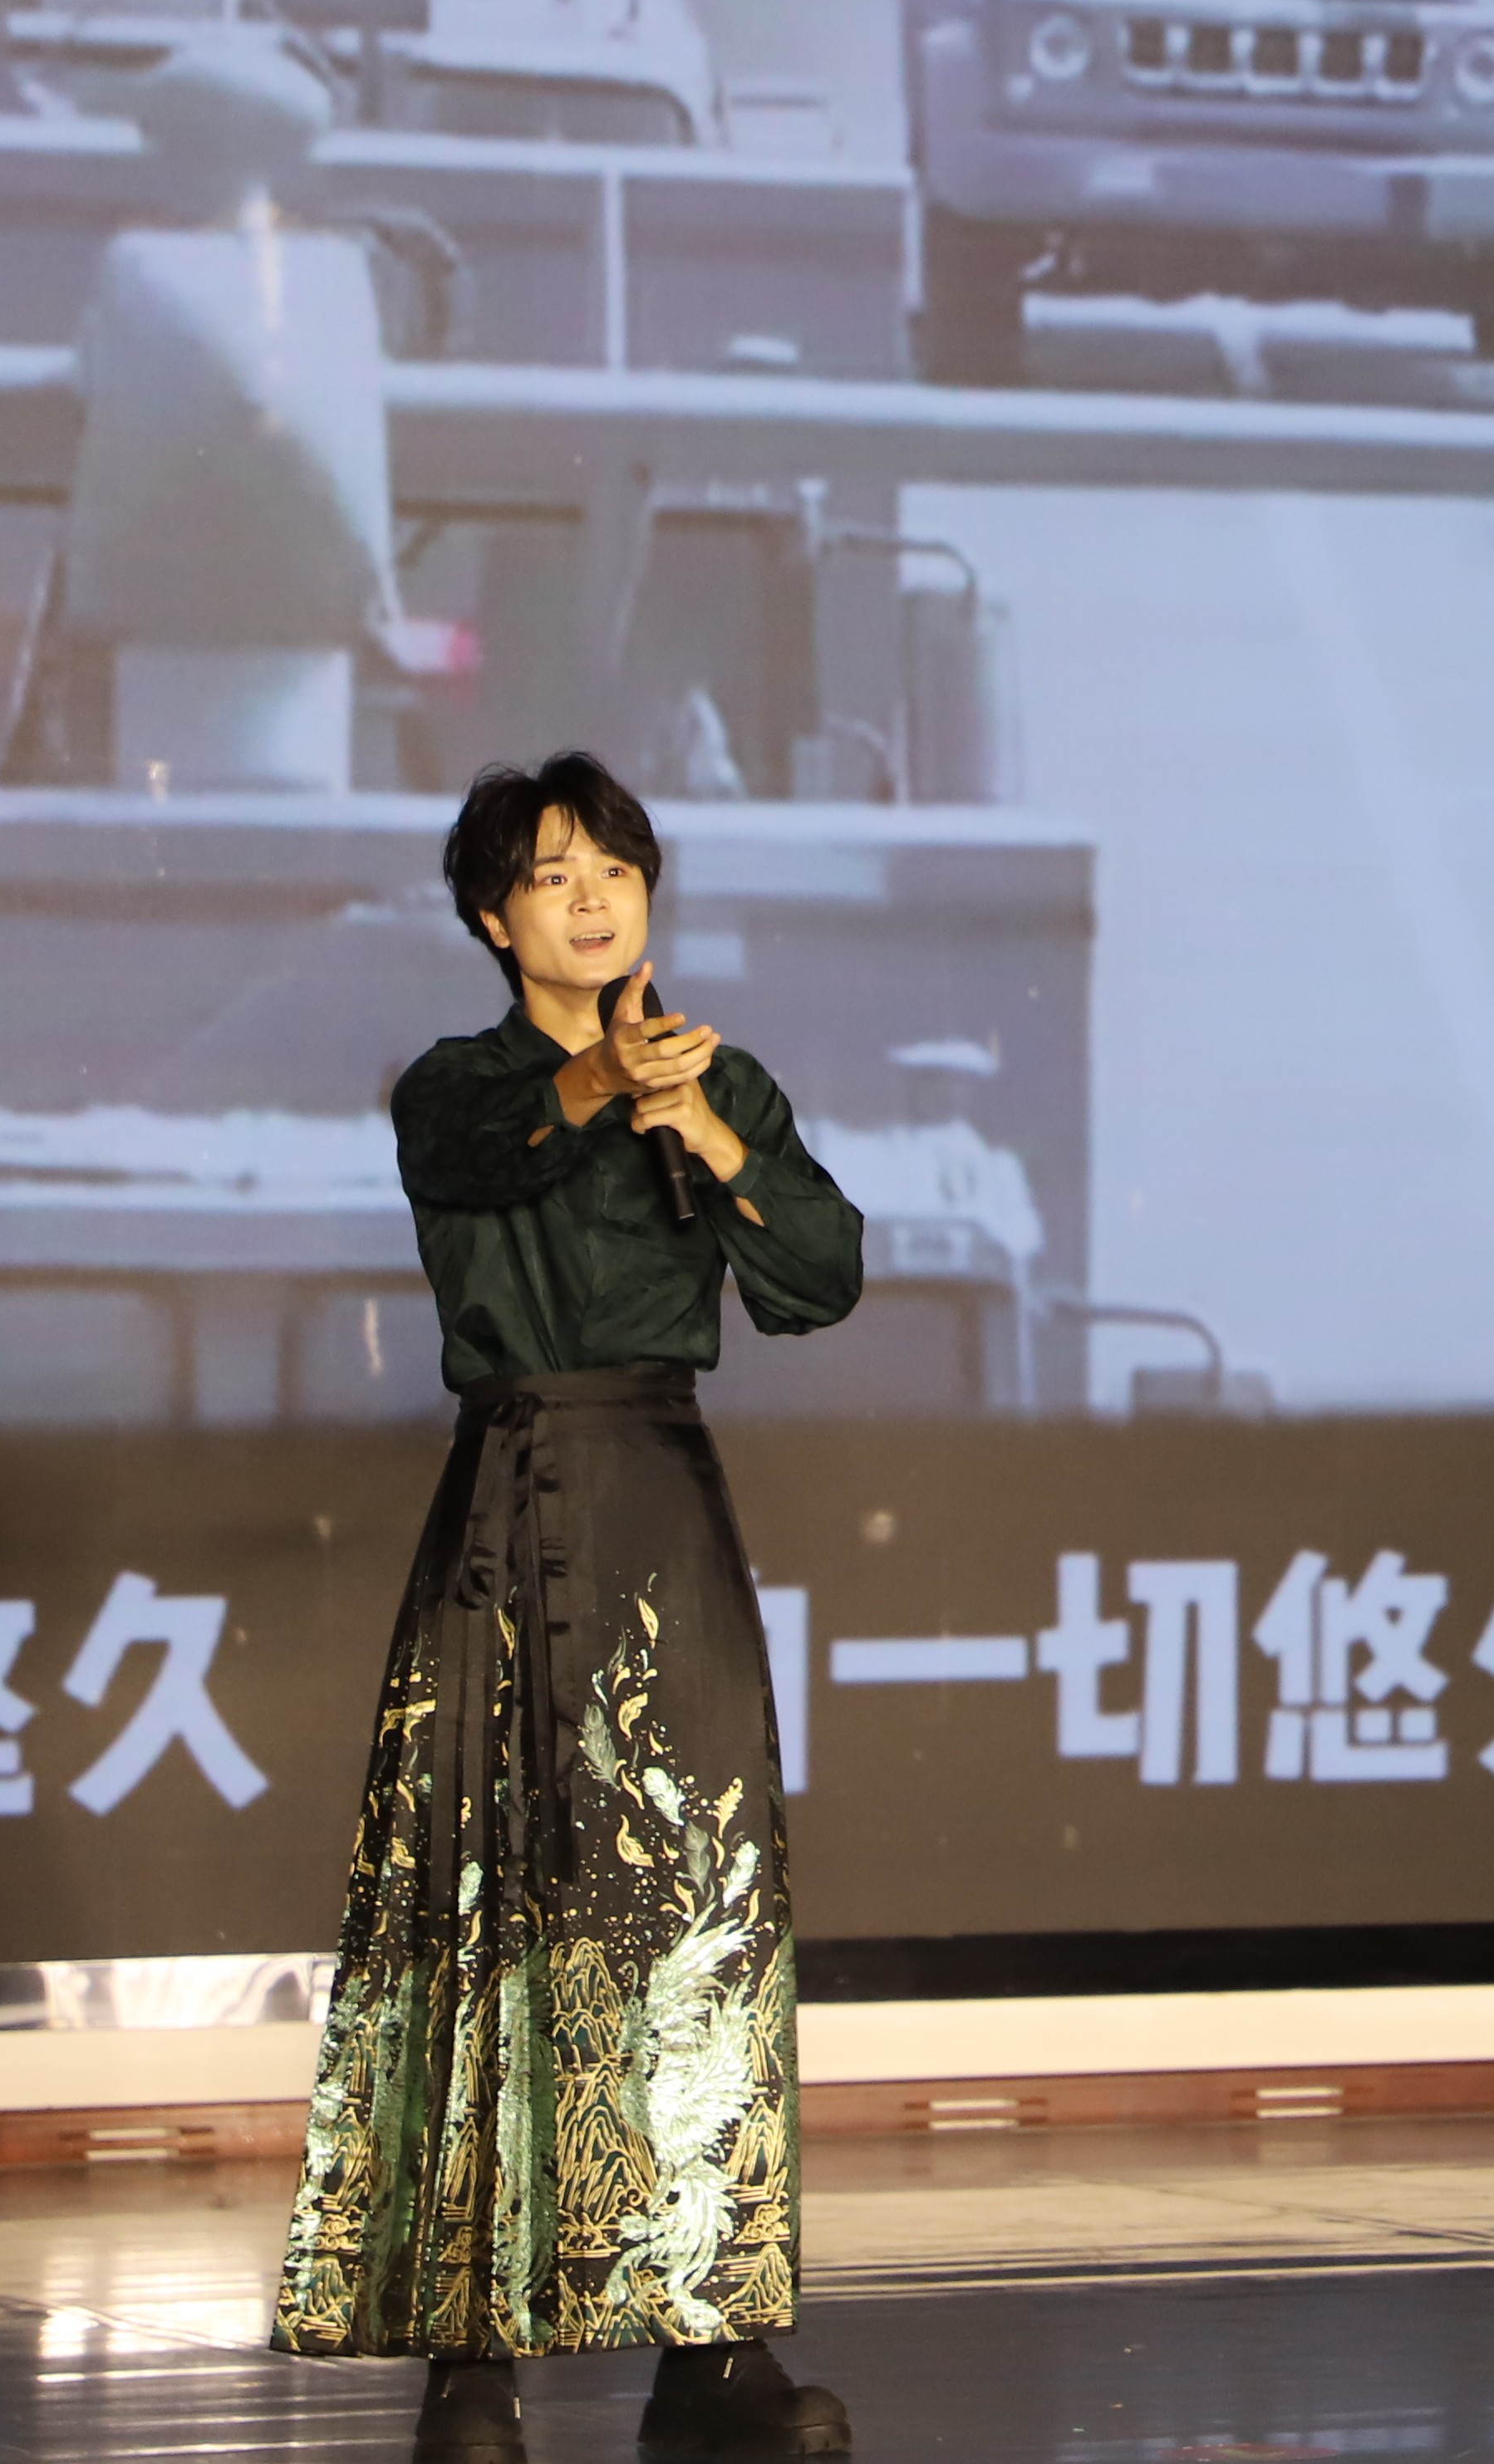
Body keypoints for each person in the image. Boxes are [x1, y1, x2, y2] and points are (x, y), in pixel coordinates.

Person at [275, 752, 872, 2460]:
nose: (593, 897)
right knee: (483, 1908)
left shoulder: (718, 1078)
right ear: (493, 917)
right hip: (509, 1501)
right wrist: (603, 1080)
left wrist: (706, 1131)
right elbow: (491, 1158)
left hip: (664, 1500)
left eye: (615, 867)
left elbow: (821, 1275)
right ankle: (471, 2351)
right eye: (553, 875)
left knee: (699, 1910)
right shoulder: (454, 1087)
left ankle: (716, 2349)